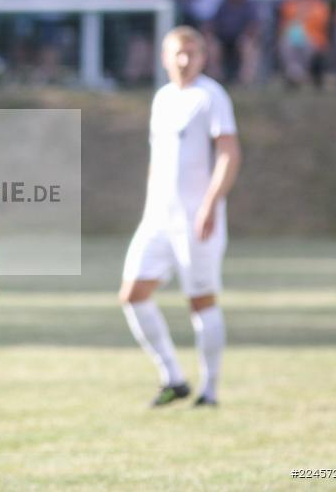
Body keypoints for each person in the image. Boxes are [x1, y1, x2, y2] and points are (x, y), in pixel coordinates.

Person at [119, 26, 242, 408]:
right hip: (158, 217)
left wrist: (209, 203)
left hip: (196, 218)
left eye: (192, 53)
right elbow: (159, 162)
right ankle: (173, 376)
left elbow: (229, 153)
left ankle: (210, 390)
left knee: (200, 300)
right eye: (178, 53)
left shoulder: (211, 97)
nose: (185, 59)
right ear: (164, 57)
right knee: (132, 295)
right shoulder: (163, 98)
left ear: (204, 57)